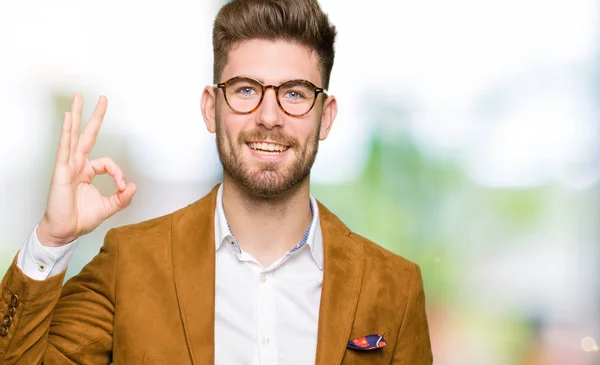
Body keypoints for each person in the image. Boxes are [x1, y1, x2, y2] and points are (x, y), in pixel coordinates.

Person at [0, 0, 432, 364]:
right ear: (211, 108)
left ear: (327, 116)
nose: (269, 116)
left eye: (295, 93)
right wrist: (51, 239)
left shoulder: (394, 286)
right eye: (245, 90)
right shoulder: (129, 264)